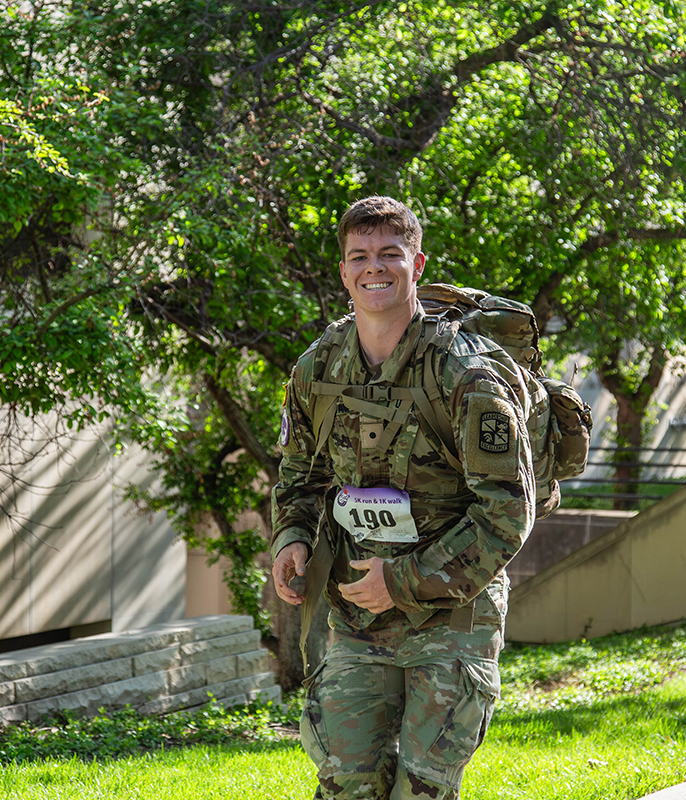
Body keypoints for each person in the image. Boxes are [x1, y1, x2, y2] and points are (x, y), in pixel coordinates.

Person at [270, 196, 536, 799]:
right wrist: (292, 539)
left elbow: (506, 512)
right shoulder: (318, 369)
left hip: (450, 620)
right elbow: (301, 476)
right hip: (355, 618)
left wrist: (403, 581)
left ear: (417, 265)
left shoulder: (467, 375)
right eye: (359, 256)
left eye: (391, 254)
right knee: (346, 785)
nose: (374, 268)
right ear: (343, 271)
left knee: (423, 789)